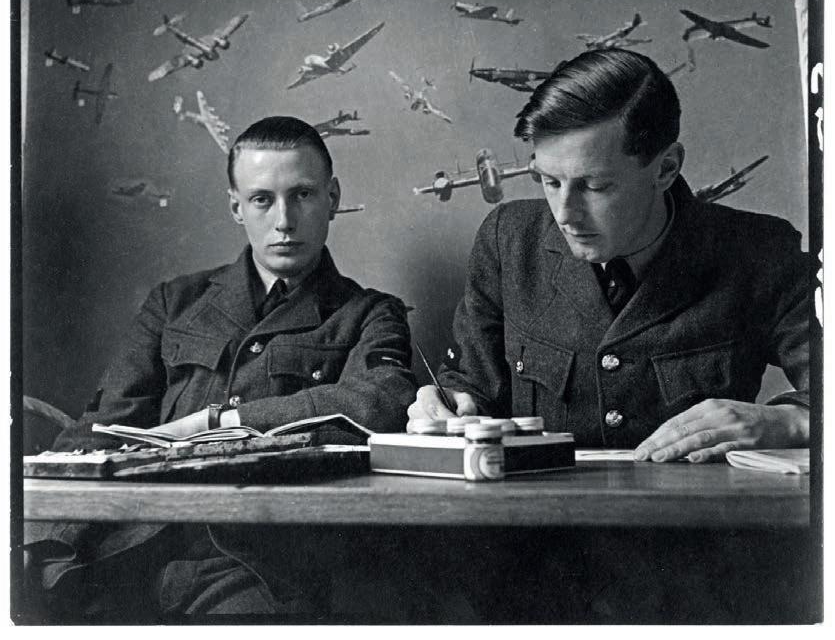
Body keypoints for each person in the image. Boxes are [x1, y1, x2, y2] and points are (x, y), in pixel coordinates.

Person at [23, 115, 417, 620]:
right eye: (262, 200)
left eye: (302, 195)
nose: (284, 220)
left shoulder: (369, 313)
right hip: (129, 549)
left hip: (257, 564)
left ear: (333, 198)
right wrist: (42, 539)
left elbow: (384, 401)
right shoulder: (174, 302)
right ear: (236, 207)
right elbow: (102, 430)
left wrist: (223, 422)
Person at [408, 48, 809, 461]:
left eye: (595, 186)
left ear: (666, 168)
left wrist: (792, 421)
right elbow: (472, 388)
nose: (565, 214)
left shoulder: (760, 251)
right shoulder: (507, 240)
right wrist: (447, 406)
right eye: (549, 181)